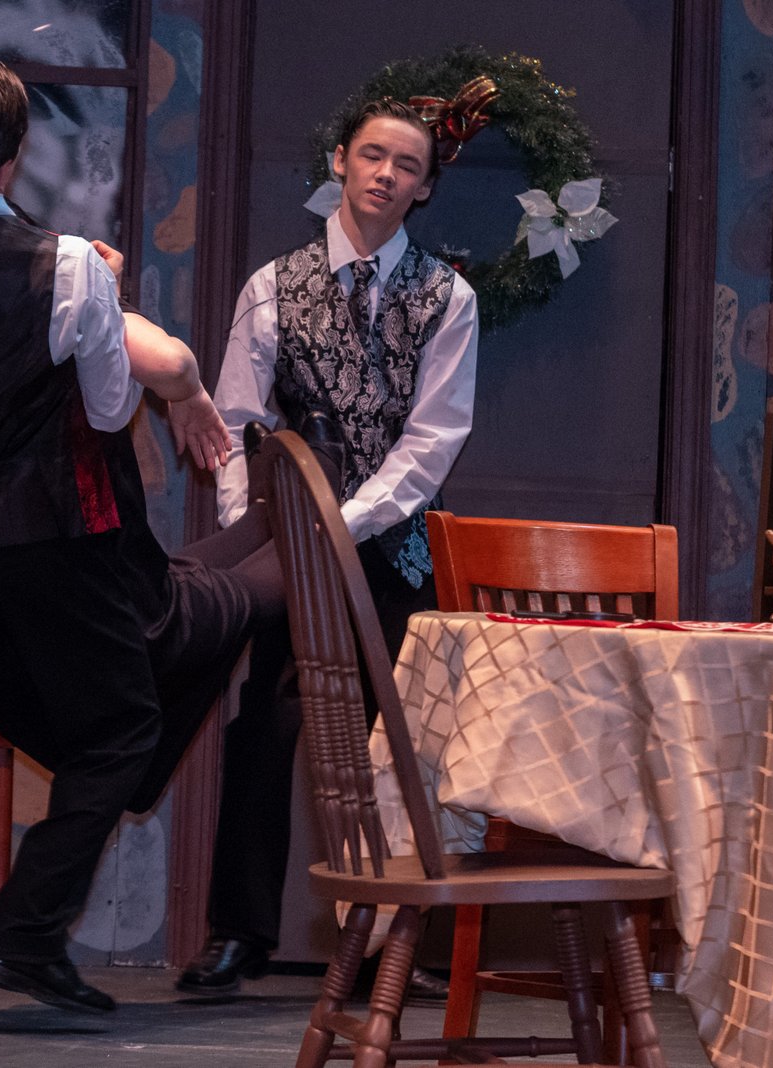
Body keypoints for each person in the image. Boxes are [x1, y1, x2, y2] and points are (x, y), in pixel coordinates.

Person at [0, 59, 289, 1040]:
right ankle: (27, 929)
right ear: (7, 163)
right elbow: (111, 409)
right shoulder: (68, 265)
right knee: (120, 730)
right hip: (53, 540)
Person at [178, 97, 479, 998]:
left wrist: (347, 526)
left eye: (408, 165)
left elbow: (433, 441)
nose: (387, 174)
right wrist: (256, 532)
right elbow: (235, 425)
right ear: (342, 161)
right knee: (266, 728)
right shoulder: (273, 285)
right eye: (373, 155)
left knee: (403, 741)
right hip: (293, 548)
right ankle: (239, 935)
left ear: (424, 189)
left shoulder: (450, 297)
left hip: (398, 545)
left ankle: (389, 948)